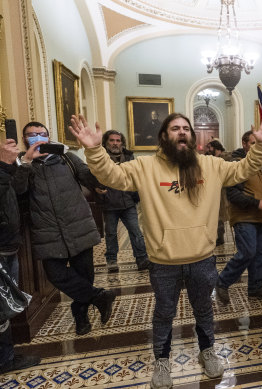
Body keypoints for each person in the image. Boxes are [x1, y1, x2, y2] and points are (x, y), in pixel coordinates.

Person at [68, 112, 262, 389]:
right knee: (164, 312)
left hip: (202, 258)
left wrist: (260, 144)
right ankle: (162, 360)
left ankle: (207, 351)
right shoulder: (144, 167)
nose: (182, 132)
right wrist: (94, 149)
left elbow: (244, 168)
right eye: (175, 128)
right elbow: (111, 175)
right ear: (164, 136)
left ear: (191, 137)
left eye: (186, 129)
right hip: (163, 261)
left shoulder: (211, 165)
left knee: (204, 309)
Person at [12, 122, 116, 337]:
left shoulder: (66, 158)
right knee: (56, 275)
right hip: (47, 231)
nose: (37, 137)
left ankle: (81, 318)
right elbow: (18, 191)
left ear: (48, 138)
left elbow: (89, 177)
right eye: (31, 135)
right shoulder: (21, 163)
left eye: (41, 134)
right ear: (24, 140)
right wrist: (27, 163)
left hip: (79, 226)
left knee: (84, 276)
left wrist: (100, 170)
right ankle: (99, 296)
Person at [215, 130, 262, 304]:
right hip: (244, 217)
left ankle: (256, 287)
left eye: (259, 144)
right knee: (248, 252)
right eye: (253, 143)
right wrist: (258, 203)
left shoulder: (259, 165)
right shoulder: (238, 164)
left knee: (259, 254)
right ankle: (222, 281)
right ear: (244, 144)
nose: (257, 147)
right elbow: (233, 195)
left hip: (258, 217)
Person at [0, 138, 40, 374]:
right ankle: (5, 359)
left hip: (8, 245)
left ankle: (6, 357)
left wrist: (22, 163)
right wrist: (5, 165)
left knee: (4, 309)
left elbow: (16, 189)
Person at [96, 130, 150, 272]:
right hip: (109, 202)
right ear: (106, 143)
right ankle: (112, 261)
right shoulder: (102, 158)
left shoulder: (129, 156)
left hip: (127, 201)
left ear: (122, 142)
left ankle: (142, 259)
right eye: (112, 140)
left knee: (135, 231)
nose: (115, 143)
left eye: (118, 140)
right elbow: (93, 176)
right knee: (111, 233)